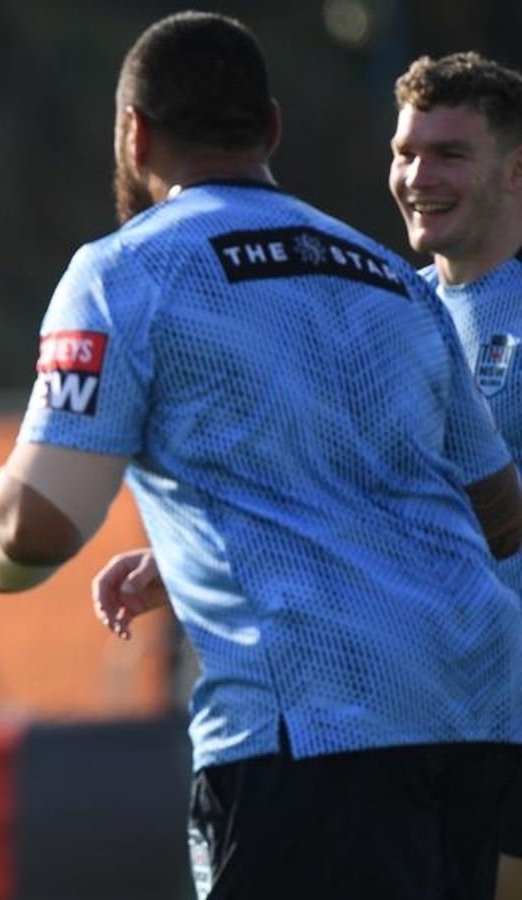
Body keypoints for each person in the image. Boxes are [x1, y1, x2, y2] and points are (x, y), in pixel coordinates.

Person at [0, 11, 522, 899]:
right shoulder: (388, 278)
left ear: (134, 134)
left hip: (316, 727)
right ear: (271, 130)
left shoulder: (127, 271)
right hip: (479, 713)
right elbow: (497, 512)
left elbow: (35, 526)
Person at [388, 50, 522, 900]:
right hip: (404, 727)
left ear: (516, 171)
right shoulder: (381, 314)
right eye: (405, 152)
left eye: (448, 154)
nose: (417, 177)